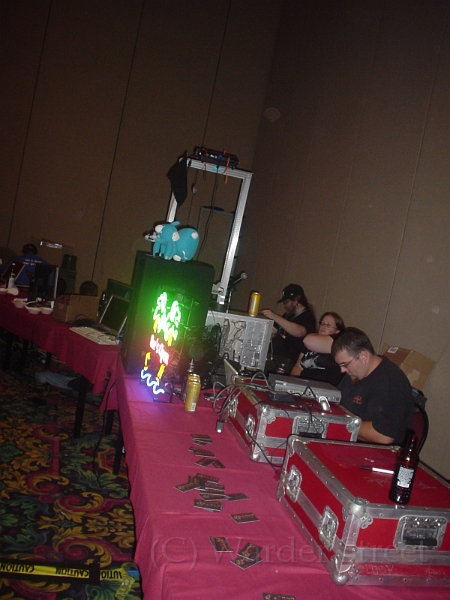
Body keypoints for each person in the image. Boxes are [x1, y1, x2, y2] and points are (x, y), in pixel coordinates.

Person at [331, 327, 414, 445]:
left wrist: (337, 422)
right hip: (348, 441)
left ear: (363, 356)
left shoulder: (390, 382)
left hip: (374, 451)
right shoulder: (355, 372)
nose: (342, 370)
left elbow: (383, 436)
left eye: (345, 364)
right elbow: (336, 401)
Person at [261, 283, 316, 373]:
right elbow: (273, 329)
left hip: (288, 362)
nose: (284, 305)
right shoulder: (289, 316)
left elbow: (299, 332)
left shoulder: (307, 317)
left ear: (295, 301)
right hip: (276, 359)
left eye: (286, 302)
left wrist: (274, 316)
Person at [290, 311, 345, 386]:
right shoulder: (310, 343)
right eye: (322, 323)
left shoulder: (337, 343)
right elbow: (298, 366)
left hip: (321, 386)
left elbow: (307, 340)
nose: (323, 326)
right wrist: (292, 383)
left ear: (337, 331)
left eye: (328, 325)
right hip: (302, 384)